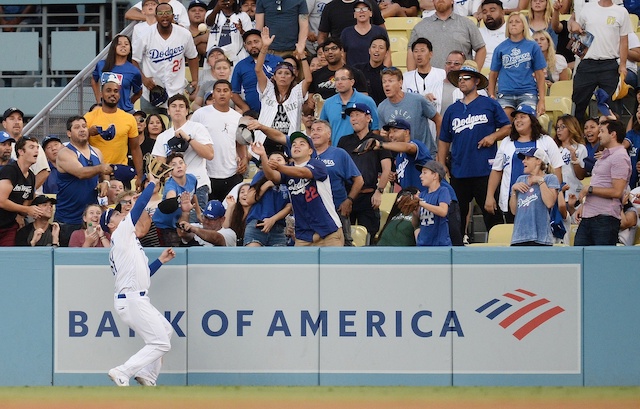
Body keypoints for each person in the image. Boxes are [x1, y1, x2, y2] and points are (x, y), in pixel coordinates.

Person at [103, 172, 176, 387]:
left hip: (136, 297)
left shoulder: (129, 241)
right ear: (111, 225)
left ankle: (147, 375)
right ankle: (122, 371)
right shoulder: (120, 234)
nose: (120, 215)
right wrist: (151, 185)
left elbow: (142, 274)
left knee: (166, 332)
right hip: (132, 299)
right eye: (115, 215)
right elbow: (137, 209)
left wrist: (160, 261)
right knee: (161, 343)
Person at [438, 60, 511, 239]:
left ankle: (498, 247)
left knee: (491, 213)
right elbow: (444, 140)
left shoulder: (489, 104)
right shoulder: (452, 110)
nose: (462, 81)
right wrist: (441, 164)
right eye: (460, 78)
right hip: (459, 171)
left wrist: (493, 137)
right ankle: (457, 250)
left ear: (477, 81)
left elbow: (507, 127)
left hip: (485, 171)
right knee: (456, 217)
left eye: (467, 78)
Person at [366, 118, 464, 245]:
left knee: (453, 242)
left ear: (407, 132)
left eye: (395, 131)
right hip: (424, 206)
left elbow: (409, 147)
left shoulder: (416, 144)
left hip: (441, 200)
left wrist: (381, 145)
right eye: (389, 132)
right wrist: (397, 178)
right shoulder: (400, 158)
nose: (391, 135)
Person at [252, 132, 344, 246]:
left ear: (310, 151)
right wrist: (263, 155)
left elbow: (302, 172)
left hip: (328, 231)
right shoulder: (288, 169)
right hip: (303, 235)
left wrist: (280, 167)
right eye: (294, 144)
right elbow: (272, 176)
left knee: (332, 264)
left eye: (302, 144)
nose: (296, 146)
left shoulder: (317, 164)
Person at [486, 103, 563, 221]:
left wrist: (556, 195)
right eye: (516, 118)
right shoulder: (507, 142)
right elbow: (496, 170)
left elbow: (557, 169)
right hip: (512, 200)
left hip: (540, 201)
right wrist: (490, 196)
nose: (518, 120)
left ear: (532, 120)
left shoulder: (546, 141)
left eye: (522, 117)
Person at [55, 116, 113, 246]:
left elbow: (105, 173)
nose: (82, 130)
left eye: (84, 126)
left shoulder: (97, 152)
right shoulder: (65, 153)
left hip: (90, 219)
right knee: (68, 260)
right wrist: (101, 168)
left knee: (89, 257)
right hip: (68, 219)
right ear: (69, 133)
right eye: (77, 127)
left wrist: (106, 183)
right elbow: (81, 173)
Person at [569, 0, 631, 123]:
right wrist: (573, 23)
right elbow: (573, 25)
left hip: (610, 64)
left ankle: (614, 137)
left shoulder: (621, 12)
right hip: (587, 63)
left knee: (612, 107)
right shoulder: (587, 8)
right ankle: (577, 137)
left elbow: (624, 40)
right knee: (578, 103)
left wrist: (623, 64)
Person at [132, 3, 199, 114]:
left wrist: (195, 79)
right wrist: (143, 79)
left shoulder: (184, 34)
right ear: (156, 16)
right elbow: (134, 59)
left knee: (177, 128)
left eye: (167, 13)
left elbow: (192, 57)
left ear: (173, 16)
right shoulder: (145, 35)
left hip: (177, 92)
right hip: (151, 93)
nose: (164, 16)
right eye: (160, 13)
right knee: (152, 128)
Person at [337, 103, 393, 236]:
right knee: (344, 237)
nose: (353, 119)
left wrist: (379, 192)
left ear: (368, 118)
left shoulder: (379, 141)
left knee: (368, 236)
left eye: (357, 115)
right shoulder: (344, 141)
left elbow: (386, 169)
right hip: (347, 195)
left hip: (368, 196)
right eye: (351, 116)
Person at [152, 94, 213, 213]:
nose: (177, 109)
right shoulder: (162, 137)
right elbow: (160, 168)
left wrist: (188, 139)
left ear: (187, 111)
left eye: (181, 106)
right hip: (173, 188)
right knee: (175, 226)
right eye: (173, 106)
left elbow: (210, 154)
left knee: (195, 224)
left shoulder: (197, 128)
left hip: (197, 184)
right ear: (168, 111)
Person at [574, 119, 632, 245]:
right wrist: (584, 206)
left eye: (602, 131)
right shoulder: (605, 155)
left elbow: (617, 191)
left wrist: (588, 189)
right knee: (579, 258)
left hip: (605, 218)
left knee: (600, 261)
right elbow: (600, 183)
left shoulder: (620, 157)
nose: (598, 135)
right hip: (589, 215)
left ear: (613, 134)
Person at [255, 27, 312, 153]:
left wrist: (302, 55)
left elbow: (308, 79)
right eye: (279, 73)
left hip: (288, 141)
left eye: (287, 73)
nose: (283, 76)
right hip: (265, 139)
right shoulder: (268, 90)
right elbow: (258, 70)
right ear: (274, 77)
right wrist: (264, 47)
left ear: (293, 77)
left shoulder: (296, 92)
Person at [191, 79, 247, 202]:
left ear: (231, 94)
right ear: (213, 94)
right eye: (218, 91)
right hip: (206, 174)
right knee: (208, 216)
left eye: (225, 91)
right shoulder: (200, 114)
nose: (222, 94)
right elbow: (191, 140)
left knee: (231, 214)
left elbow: (240, 143)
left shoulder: (238, 118)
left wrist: (244, 159)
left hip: (232, 173)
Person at [85, 76, 144, 187]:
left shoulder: (128, 118)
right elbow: (76, 144)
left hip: (120, 172)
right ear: (101, 94)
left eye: (116, 91)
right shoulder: (89, 117)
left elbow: (135, 148)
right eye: (108, 90)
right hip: (96, 173)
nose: (112, 94)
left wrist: (139, 176)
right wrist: (88, 133)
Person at [488, 12, 547, 117]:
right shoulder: (500, 48)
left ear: (524, 25)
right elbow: (493, 74)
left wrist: (542, 100)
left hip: (527, 93)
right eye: (510, 22)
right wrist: (491, 95)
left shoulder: (533, 46)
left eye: (517, 22)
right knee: (505, 124)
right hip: (505, 94)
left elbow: (539, 74)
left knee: (526, 120)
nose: (513, 24)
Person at [378, 65, 441, 156]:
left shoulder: (417, 100)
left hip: (425, 156)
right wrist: (384, 136)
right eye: (384, 82)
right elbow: (388, 138)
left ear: (400, 83)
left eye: (390, 81)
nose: (386, 85)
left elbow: (438, 119)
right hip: (402, 160)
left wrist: (440, 150)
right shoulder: (381, 107)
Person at [408, 0, 486, 70]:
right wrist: (412, 79)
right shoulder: (420, 26)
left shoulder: (467, 24)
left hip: (459, 82)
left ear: (452, 1)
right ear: (433, 1)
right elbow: (411, 52)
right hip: (430, 82)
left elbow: (481, 49)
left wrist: (474, 73)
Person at [509, 147, 560, 245]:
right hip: (519, 237)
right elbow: (514, 211)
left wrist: (540, 181)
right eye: (523, 158)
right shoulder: (520, 179)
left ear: (538, 161)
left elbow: (549, 203)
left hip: (541, 237)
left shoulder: (550, 178)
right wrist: (513, 190)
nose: (523, 161)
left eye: (527, 158)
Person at [401, 38, 446, 147]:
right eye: (415, 51)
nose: (419, 55)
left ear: (430, 54)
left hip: (437, 122)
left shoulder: (442, 74)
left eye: (422, 50)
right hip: (414, 127)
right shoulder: (406, 77)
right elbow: (402, 102)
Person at [319, 66, 380, 146]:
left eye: (343, 79)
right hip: (337, 151)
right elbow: (322, 128)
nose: (339, 82)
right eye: (336, 79)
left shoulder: (367, 101)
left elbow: (375, 128)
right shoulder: (328, 103)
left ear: (352, 82)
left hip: (360, 152)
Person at [244, 150, 292, 246]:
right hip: (257, 224)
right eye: (271, 160)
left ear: (286, 163)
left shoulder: (290, 179)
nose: (275, 162)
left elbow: (289, 207)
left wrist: (272, 220)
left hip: (278, 228)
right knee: (251, 259)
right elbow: (249, 199)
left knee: (279, 260)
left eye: (279, 160)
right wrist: (266, 185)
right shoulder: (260, 175)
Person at [0, 136, 42, 246]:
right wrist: (27, 210)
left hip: (9, 226)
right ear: (21, 151)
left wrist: (24, 213)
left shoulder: (31, 176)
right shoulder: (10, 170)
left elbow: (27, 200)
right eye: (31, 147)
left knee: (9, 256)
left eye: (37, 147)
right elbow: (1, 201)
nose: (36, 150)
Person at [153, 153, 201, 246]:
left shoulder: (192, 179)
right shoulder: (170, 186)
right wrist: (175, 200)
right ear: (169, 171)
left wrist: (198, 214)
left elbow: (193, 194)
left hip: (179, 221)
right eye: (174, 165)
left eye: (181, 163)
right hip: (163, 224)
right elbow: (171, 199)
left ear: (186, 166)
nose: (179, 166)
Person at [231, 29, 284, 112]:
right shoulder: (240, 66)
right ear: (245, 46)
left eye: (256, 42)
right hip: (254, 114)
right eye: (249, 43)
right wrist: (246, 109)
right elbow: (233, 92)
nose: (253, 45)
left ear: (263, 42)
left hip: (278, 110)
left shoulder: (277, 60)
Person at [91, 34, 142, 113]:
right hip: (104, 111)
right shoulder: (101, 65)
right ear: (113, 47)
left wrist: (128, 103)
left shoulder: (134, 71)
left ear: (130, 49)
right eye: (119, 44)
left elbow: (138, 92)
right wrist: (98, 100)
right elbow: (94, 80)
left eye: (126, 44)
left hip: (125, 112)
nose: (123, 46)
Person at [3, 107, 50, 190]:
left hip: (31, 200)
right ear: (4, 124)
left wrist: (27, 193)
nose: (16, 122)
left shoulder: (33, 145)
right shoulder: (1, 147)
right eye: (12, 119)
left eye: (19, 119)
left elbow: (43, 172)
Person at [340, 0, 389, 68]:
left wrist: (384, 73)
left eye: (365, 8)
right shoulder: (346, 32)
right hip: (353, 75)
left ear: (371, 13)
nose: (361, 11)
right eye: (358, 9)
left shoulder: (380, 31)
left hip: (376, 74)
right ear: (354, 14)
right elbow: (342, 57)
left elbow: (387, 55)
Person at [204, 0, 253, 67]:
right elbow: (209, 23)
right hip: (214, 58)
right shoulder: (211, 13)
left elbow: (249, 38)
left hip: (237, 58)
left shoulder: (243, 16)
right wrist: (216, 8)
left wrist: (241, 31)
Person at [415, 160, 452, 246]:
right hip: (423, 244)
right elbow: (416, 223)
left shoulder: (443, 191)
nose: (421, 176)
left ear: (435, 175)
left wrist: (421, 203)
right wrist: (414, 211)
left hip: (439, 244)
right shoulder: (422, 194)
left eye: (424, 173)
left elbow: (443, 211)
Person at [316, 0, 385, 46]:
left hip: (371, 53)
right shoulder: (330, 7)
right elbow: (322, 36)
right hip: (340, 56)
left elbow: (382, 32)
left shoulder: (370, 4)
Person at [554, 114, 587, 196]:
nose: (559, 130)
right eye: (557, 127)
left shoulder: (580, 148)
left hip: (574, 193)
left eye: (562, 127)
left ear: (571, 128)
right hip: (557, 195)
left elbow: (581, 176)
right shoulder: (554, 148)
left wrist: (574, 159)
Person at [354, 35, 390, 105]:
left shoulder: (387, 74)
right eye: (374, 47)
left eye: (381, 48)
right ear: (369, 50)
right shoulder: (357, 70)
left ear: (386, 53)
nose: (377, 50)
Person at [478, 0, 507, 69]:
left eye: (492, 10)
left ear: (503, 12)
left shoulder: (515, 30)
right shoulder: (478, 33)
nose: (488, 14)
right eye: (484, 12)